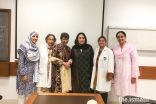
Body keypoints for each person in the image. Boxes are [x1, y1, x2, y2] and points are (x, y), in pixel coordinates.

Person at [113, 31, 140, 103]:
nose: (120, 38)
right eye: (118, 37)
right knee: (119, 94)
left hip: (128, 75)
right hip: (118, 75)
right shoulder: (115, 49)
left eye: (122, 36)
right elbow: (114, 63)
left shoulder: (131, 48)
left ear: (125, 37)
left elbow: (135, 62)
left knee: (128, 94)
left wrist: (134, 76)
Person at [16, 31, 39, 104]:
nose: (35, 38)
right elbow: (21, 62)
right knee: (22, 94)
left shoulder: (36, 48)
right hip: (24, 74)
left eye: (36, 36)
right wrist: (23, 75)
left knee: (29, 94)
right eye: (33, 36)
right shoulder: (23, 47)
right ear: (30, 37)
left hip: (32, 75)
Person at [90, 36, 114, 104]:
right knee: (96, 89)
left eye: (103, 41)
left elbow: (111, 63)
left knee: (103, 91)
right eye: (100, 41)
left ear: (105, 42)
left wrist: (110, 73)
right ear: (98, 42)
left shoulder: (109, 51)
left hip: (104, 73)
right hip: (96, 73)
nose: (101, 42)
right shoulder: (96, 50)